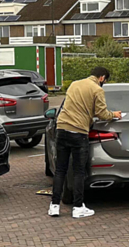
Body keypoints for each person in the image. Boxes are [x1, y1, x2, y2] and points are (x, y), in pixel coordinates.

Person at [49, 66, 122, 218]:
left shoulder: (75, 84)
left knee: (60, 169)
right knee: (78, 171)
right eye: (105, 80)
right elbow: (102, 114)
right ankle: (78, 207)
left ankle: (54, 206)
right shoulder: (97, 90)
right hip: (79, 131)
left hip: (62, 129)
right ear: (102, 78)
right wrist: (114, 114)